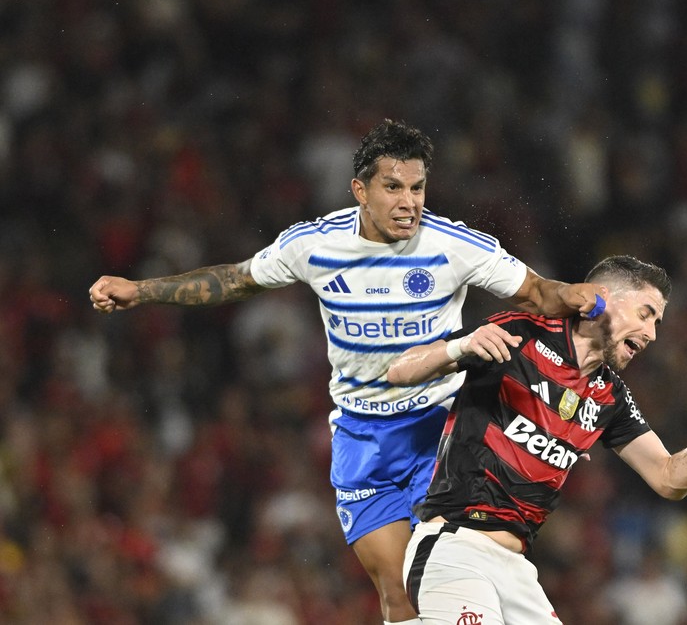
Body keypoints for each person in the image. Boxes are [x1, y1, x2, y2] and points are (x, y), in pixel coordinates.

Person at [88, 119, 607, 625]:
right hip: (362, 439)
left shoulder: (453, 244)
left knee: (447, 578)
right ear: (360, 190)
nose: (409, 202)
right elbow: (238, 279)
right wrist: (141, 290)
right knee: (399, 598)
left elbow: (537, 292)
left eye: (418, 188)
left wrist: (573, 294)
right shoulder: (315, 245)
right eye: (393, 187)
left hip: (442, 431)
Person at [386, 255, 687, 625]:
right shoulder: (521, 335)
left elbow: (668, 478)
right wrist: (461, 347)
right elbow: (398, 372)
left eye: (657, 322)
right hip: (455, 547)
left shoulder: (610, 397)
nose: (651, 334)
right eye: (645, 314)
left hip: (516, 569)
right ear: (602, 298)